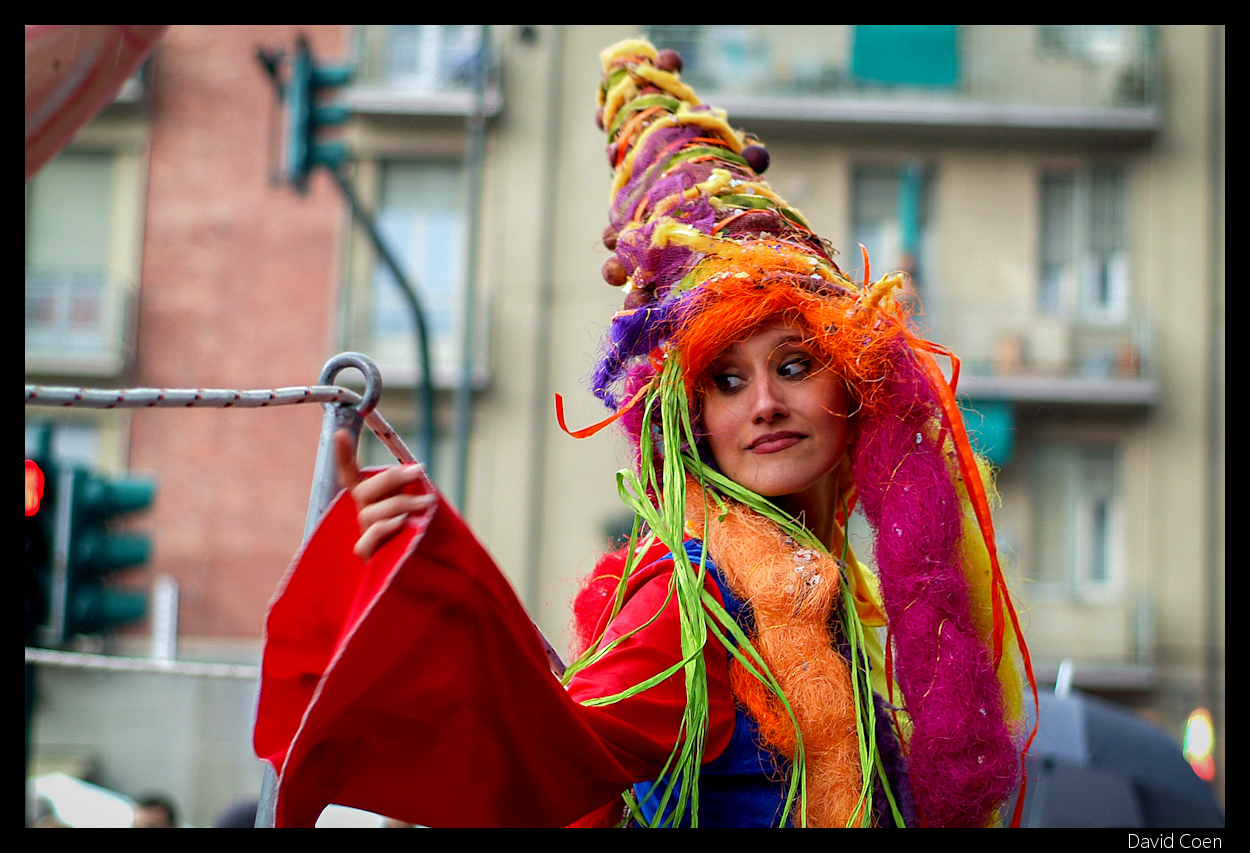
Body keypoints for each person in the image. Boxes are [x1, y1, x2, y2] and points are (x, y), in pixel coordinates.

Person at [256, 38, 1033, 828]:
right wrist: (432, 590)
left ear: (854, 384)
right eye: (726, 380)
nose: (764, 403)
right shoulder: (691, 597)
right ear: (690, 419)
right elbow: (546, 759)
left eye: (794, 365)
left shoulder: (828, 583)